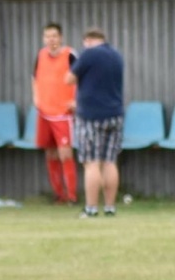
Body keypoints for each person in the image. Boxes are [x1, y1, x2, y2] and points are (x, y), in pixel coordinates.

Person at [67, 29, 125, 219]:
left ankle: (91, 208)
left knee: (91, 163)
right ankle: (110, 208)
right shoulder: (117, 56)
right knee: (109, 161)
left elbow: (68, 79)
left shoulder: (89, 54)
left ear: (88, 40)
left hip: (91, 117)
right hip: (115, 115)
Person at [33, 23, 79, 204]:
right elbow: (34, 78)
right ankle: (58, 195)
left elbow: (82, 76)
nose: (51, 40)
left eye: (54, 36)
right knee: (50, 154)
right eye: (47, 36)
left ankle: (72, 196)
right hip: (44, 112)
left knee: (65, 154)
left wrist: (77, 100)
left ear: (60, 38)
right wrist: (36, 98)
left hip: (63, 113)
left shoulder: (70, 55)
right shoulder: (40, 55)